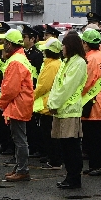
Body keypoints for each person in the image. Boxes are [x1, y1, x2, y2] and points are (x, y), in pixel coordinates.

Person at [49, 32, 89, 190]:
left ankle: (74, 177)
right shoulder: (67, 62)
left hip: (69, 110)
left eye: (64, 45)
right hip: (61, 109)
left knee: (72, 147)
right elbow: (57, 84)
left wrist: (54, 103)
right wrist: (53, 102)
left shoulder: (78, 63)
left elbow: (67, 87)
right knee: (65, 146)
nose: (62, 48)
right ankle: (70, 176)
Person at [0, 28, 35, 181]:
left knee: (19, 139)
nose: (3, 45)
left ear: (10, 44)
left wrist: (1, 103)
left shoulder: (15, 62)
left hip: (17, 104)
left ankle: (22, 170)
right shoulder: (20, 58)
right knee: (19, 138)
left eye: (5, 42)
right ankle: (19, 168)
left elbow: (10, 88)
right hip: (21, 102)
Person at [80, 28, 101, 177]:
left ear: (86, 43)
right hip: (99, 100)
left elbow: (86, 82)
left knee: (94, 138)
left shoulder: (90, 59)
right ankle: (96, 165)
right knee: (96, 137)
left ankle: (99, 165)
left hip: (91, 101)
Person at [33, 37, 64, 170]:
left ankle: (54, 160)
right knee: (50, 133)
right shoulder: (53, 63)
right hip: (48, 104)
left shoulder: (52, 65)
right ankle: (53, 157)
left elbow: (44, 86)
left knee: (50, 134)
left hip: (47, 105)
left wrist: (31, 96)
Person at [23, 26, 45, 158]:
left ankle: (37, 148)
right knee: (28, 123)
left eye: (25, 37)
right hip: (25, 91)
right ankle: (31, 147)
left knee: (34, 124)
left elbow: (39, 75)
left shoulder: (37, 55)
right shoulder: (22, 54)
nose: (23, 39)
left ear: (32, 39)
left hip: (34, 90)